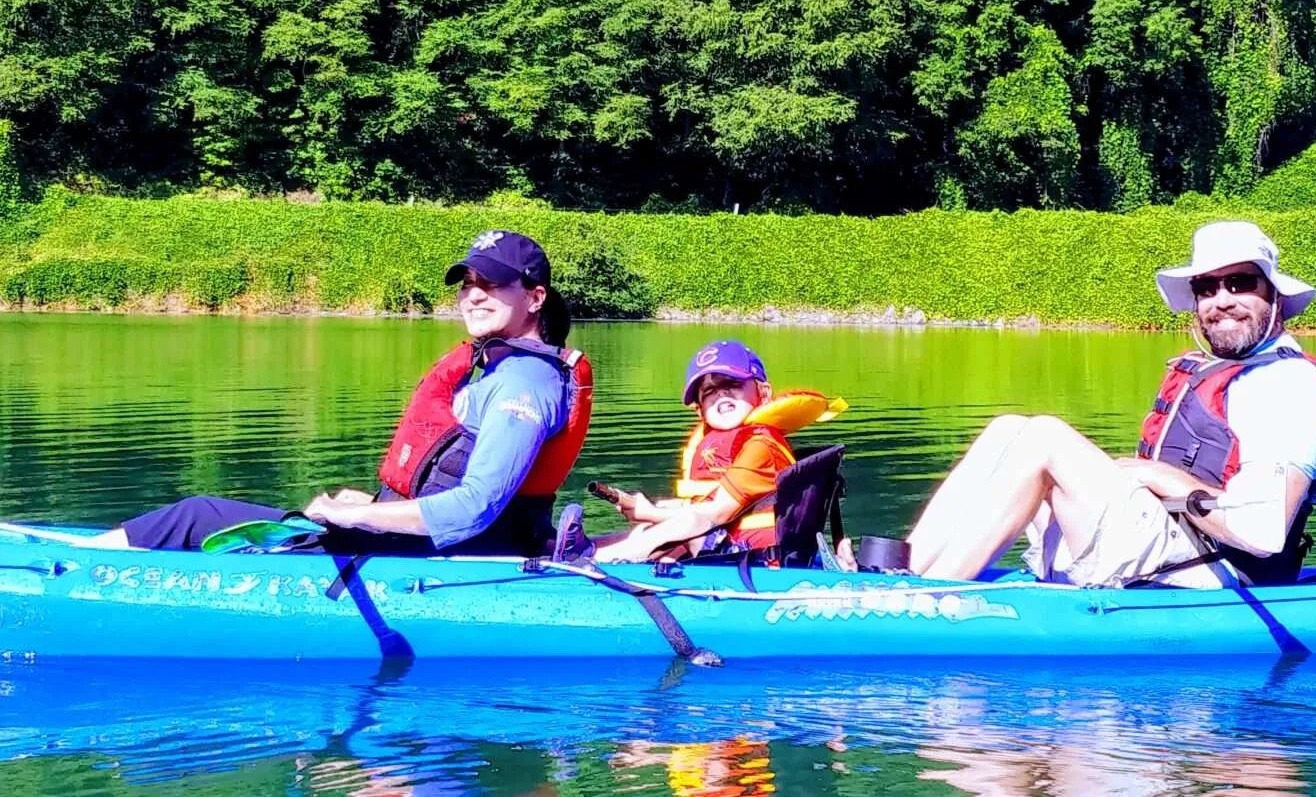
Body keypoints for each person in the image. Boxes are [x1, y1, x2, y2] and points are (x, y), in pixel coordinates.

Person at [906, 220, 1316, 587]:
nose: (1221, 301)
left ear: (1275, 297)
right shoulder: (1229, 371)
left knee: (1043, 437)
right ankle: (902, 572)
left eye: (1240, 283)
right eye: (1206, 288)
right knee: (1008, 429)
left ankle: (932, 598)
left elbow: (1261, 532)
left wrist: (1159, 476)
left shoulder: (1290, 388)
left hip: (1219, 570)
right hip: (1171, 545)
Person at [94, 230, 592, 556]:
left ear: (535, 297)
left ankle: (66, 571)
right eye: (466, 283)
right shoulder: (502, 369)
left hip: (439, 557)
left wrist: (356, 516)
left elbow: (475, 507)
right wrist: (378, 504)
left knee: (195, 515)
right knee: (202, 518)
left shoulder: (524, 383)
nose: (473, 295)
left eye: (493, 284)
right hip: (418, 545)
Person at [555, 339, 797, 563]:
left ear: (763, 393)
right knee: (657, 524)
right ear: (700, 411)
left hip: (758, 561)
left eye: (732, 383)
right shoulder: (732, 443)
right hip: (730, 549)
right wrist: (657, 509)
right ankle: (576, 549)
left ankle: (590, 559)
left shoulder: (762, 446)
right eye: (709, 392)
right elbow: (708, 505)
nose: (721, 393)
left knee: (687, 523)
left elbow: (716, 513)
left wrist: (650, 512)